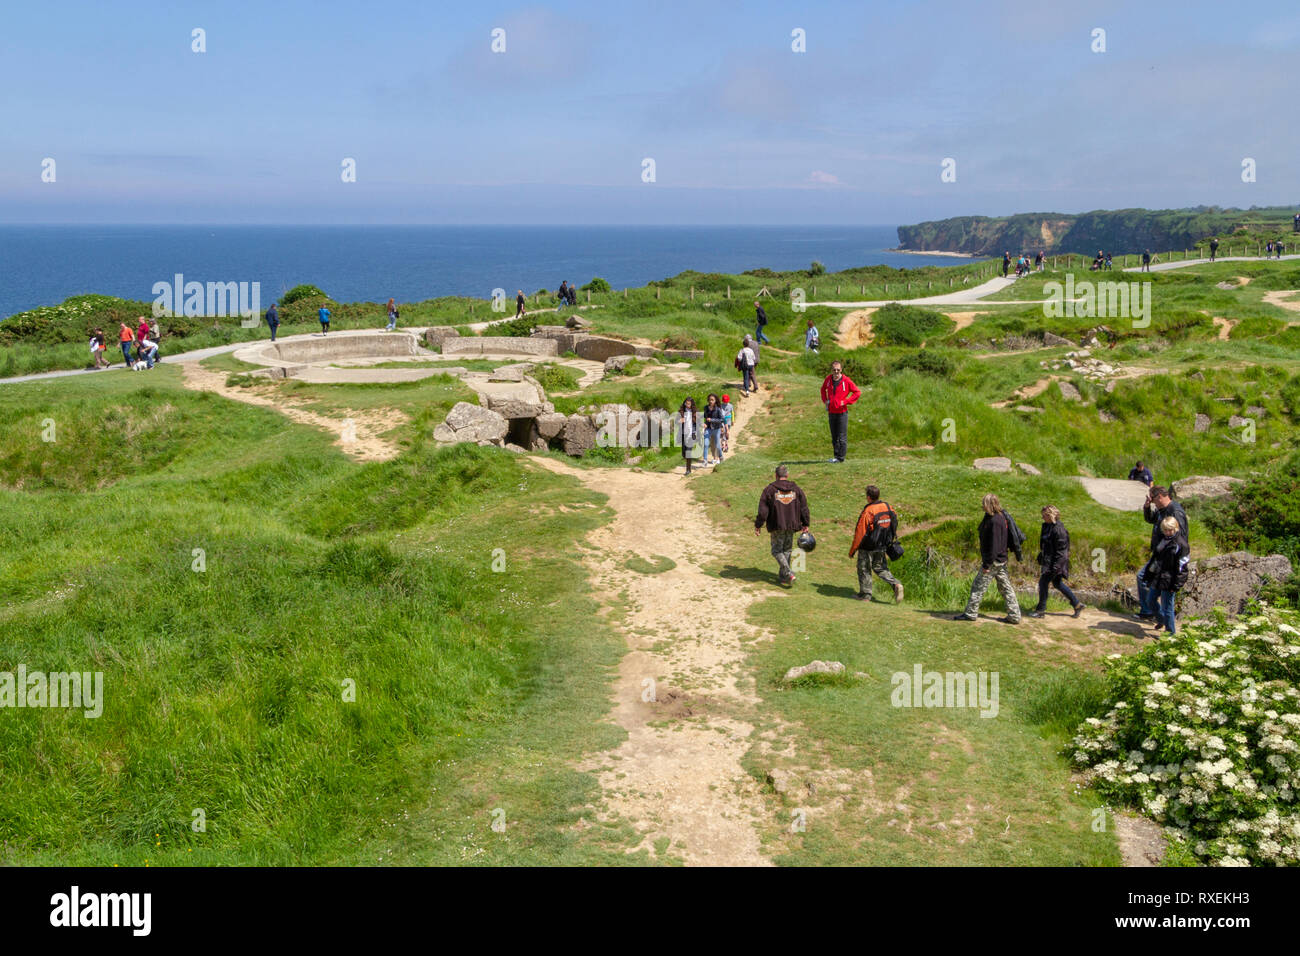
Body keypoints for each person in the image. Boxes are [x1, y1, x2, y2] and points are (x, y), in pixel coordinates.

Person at [953, 493, 1021, 624]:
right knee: (1006, 588)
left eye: (984, 503)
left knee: (978, 586)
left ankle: (971, 613)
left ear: (990, 504)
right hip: (1001, 559)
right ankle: (1014, 615)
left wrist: (986, 565)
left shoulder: (994, 520)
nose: (982, 506)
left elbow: (994, 545)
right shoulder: (999, 517)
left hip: (993, 561)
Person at [1137, 485, 1188, 621]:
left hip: (1167, 559)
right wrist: (1147, 508)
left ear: (1160, 497)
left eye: (1152, 499)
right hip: (1159, 555)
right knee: (1142, 578)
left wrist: (1170, 556)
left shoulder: (1175, 512)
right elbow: (1151, 519)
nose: (1152, 501)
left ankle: (1159, 617)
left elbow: (1181, 538)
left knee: (1144, 579)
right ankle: (1151, 612)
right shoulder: (1162, 510)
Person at [754, 465, 810, 587]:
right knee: (787, 549)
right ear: (787, 475)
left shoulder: (769, 490)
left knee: (776, 550)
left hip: (777, 524)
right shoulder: (796, 489)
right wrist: (805, 523)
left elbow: (763, 511)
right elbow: (804, 507)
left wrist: (758, 525)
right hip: (792, 524)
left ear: (776, 475)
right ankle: (784, 577)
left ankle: (788, 573)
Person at [848, 485, 903, 603]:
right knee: (880, 568)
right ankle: (896, 584)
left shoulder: (869, 511)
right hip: (882, 545)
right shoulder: (888, 507)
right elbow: (894, 522)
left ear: (868, 497)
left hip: (868, 546)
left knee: (863, 568)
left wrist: (853, 550)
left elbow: (860, 532)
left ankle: (865, 595)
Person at [1028, 506, 1084, 618]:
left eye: (1044, 515)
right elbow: (1046, 544)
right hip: (1049, 561)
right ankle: (1077, 604)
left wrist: (1056, 567)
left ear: (1050, 515)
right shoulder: (1047, 526)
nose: (1042, 517)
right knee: (1057, 584)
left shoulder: (1059, 530)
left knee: (1043, 583)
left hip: (1055, 564)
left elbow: (1062, 552)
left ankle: (1040, 611)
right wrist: (1041, 555)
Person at [1147, 516, 1190, 635]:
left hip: (1170, 580)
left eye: (1170, 530)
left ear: (1176, 528)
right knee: (1150, 600)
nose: (1168, 532)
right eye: (1165, 530)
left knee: (1168, 608)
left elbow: (1183, 568)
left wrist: (1176, 585)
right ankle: (1161, 620)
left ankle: (1170, 634)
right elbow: (1156, 558)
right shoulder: (1163, 539)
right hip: (1158, 576)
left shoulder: (1181, 544)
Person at [820, 359, 860, 464]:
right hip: (831, 412)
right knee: (834, 436)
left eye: (838, 370)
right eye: (834, 370)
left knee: (842, 437)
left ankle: (841, 458)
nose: (836, 372)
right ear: (831, 370)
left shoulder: (846, 381)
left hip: (842, 413)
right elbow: (822, 389)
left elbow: (857, 392)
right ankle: (836, 457)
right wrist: (825, 401)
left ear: (841, 370)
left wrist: (846, 401)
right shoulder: (828, 379)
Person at [678, 396, 702, 476]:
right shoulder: (681, 411)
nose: (687, 405)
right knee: (684, 454)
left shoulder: (695, 412)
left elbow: (699, 422)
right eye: (686, 404)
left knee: (688, 452)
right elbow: (675, 422)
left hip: (692, 434)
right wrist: (679, 421)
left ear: (692, 404)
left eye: (689, 404)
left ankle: (688, 470)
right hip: (683, 434)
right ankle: (687, 461)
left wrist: (702, 424)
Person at [702, 393, 725, 465]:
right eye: (709, 400)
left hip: (716, 429)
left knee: (717, 445)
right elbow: (705, 417)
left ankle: (721, 457)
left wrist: (711, 420)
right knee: (705, 444)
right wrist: (705, 423)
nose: (711, 401)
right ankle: (705, 460)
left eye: (712, 400)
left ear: (715, 401)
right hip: (708, 429)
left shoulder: (718, 409)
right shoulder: (705, 408)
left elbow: (721, 420)